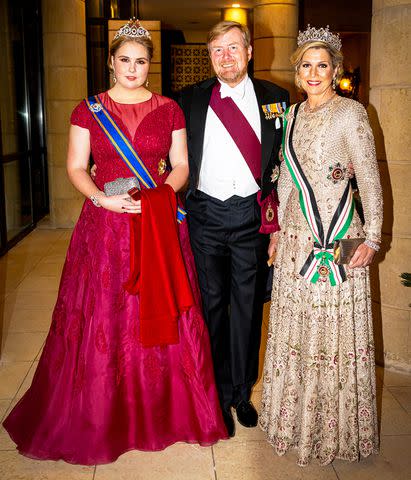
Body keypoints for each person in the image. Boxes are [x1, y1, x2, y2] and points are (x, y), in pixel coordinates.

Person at [3, 19, 228, 465]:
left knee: (164, 308)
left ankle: (166, 411)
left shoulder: (169, 109)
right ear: (110, 62)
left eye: (141, 61)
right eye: (124, 59)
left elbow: (180, 165)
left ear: (150, 64)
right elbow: (75, 167)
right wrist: (102, 200)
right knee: (105, 317)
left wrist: (161, 196)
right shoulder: (89, 110)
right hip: (104, 228)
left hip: (158, 223)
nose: (132, 68)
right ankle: (103, 413)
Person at [259, 25, 382, 466]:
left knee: (332, 330)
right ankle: (294, 421)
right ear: (297, 71)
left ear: (335, 71)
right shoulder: (291, 116)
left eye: (322, 65)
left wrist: (373, 236)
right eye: (306, 65)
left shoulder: (351, 114)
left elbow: (368, 178)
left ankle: (334, 426)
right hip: (295, 238)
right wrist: (275, 233)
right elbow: (287, 180)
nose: (314, 73)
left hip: (340, 236)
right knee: (298, 327)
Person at [178, 21, 289, 437]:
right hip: (204, 217)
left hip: (250, 218)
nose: (226, 57)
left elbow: (286, 164)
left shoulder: (277, 99)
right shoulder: (189, 99)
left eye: (233, 48)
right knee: (211, 308)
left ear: (249, 51)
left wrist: (280, 222)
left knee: (246, 308)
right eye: (217, 50)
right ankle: (216, 393)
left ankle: (242, 392)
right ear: (210, 56)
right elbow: (162, 154)